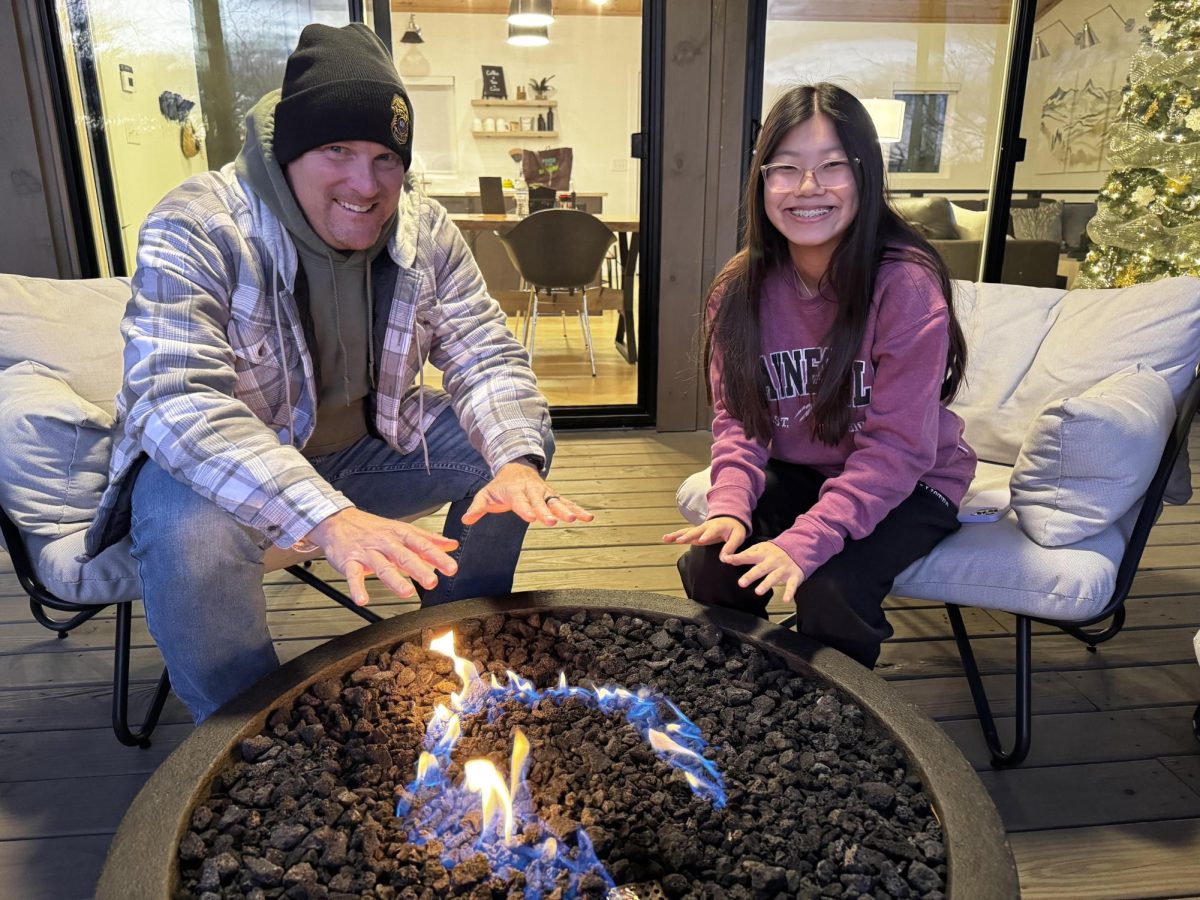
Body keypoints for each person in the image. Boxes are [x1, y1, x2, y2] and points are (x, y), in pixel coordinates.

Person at [84, 23, 591, 722]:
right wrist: (325, 515)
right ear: (291, 150)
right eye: (338, 150)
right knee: (187, 528)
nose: (366, 183)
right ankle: (248, 736)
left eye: (387, 158)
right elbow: (175, 398)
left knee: (513, 451)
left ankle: (458, 640)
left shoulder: (426, 229)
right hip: (224, 467)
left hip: (363, 451)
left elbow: (487, 354)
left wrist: (512, 457)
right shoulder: (199, 224)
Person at [664, 83, 976, 669]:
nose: (808, 188)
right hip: (802, 468)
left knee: (829, 588)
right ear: (762, 182)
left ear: (866, 174)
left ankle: (832, 729)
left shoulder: (905, 286)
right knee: (713, 562)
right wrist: (730, 506)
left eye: (832, 166)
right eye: (785, 169)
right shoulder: (739, 290)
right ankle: (745, 692)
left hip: (912, 481)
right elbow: (740, 422)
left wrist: (805, 542)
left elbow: (898, 450)